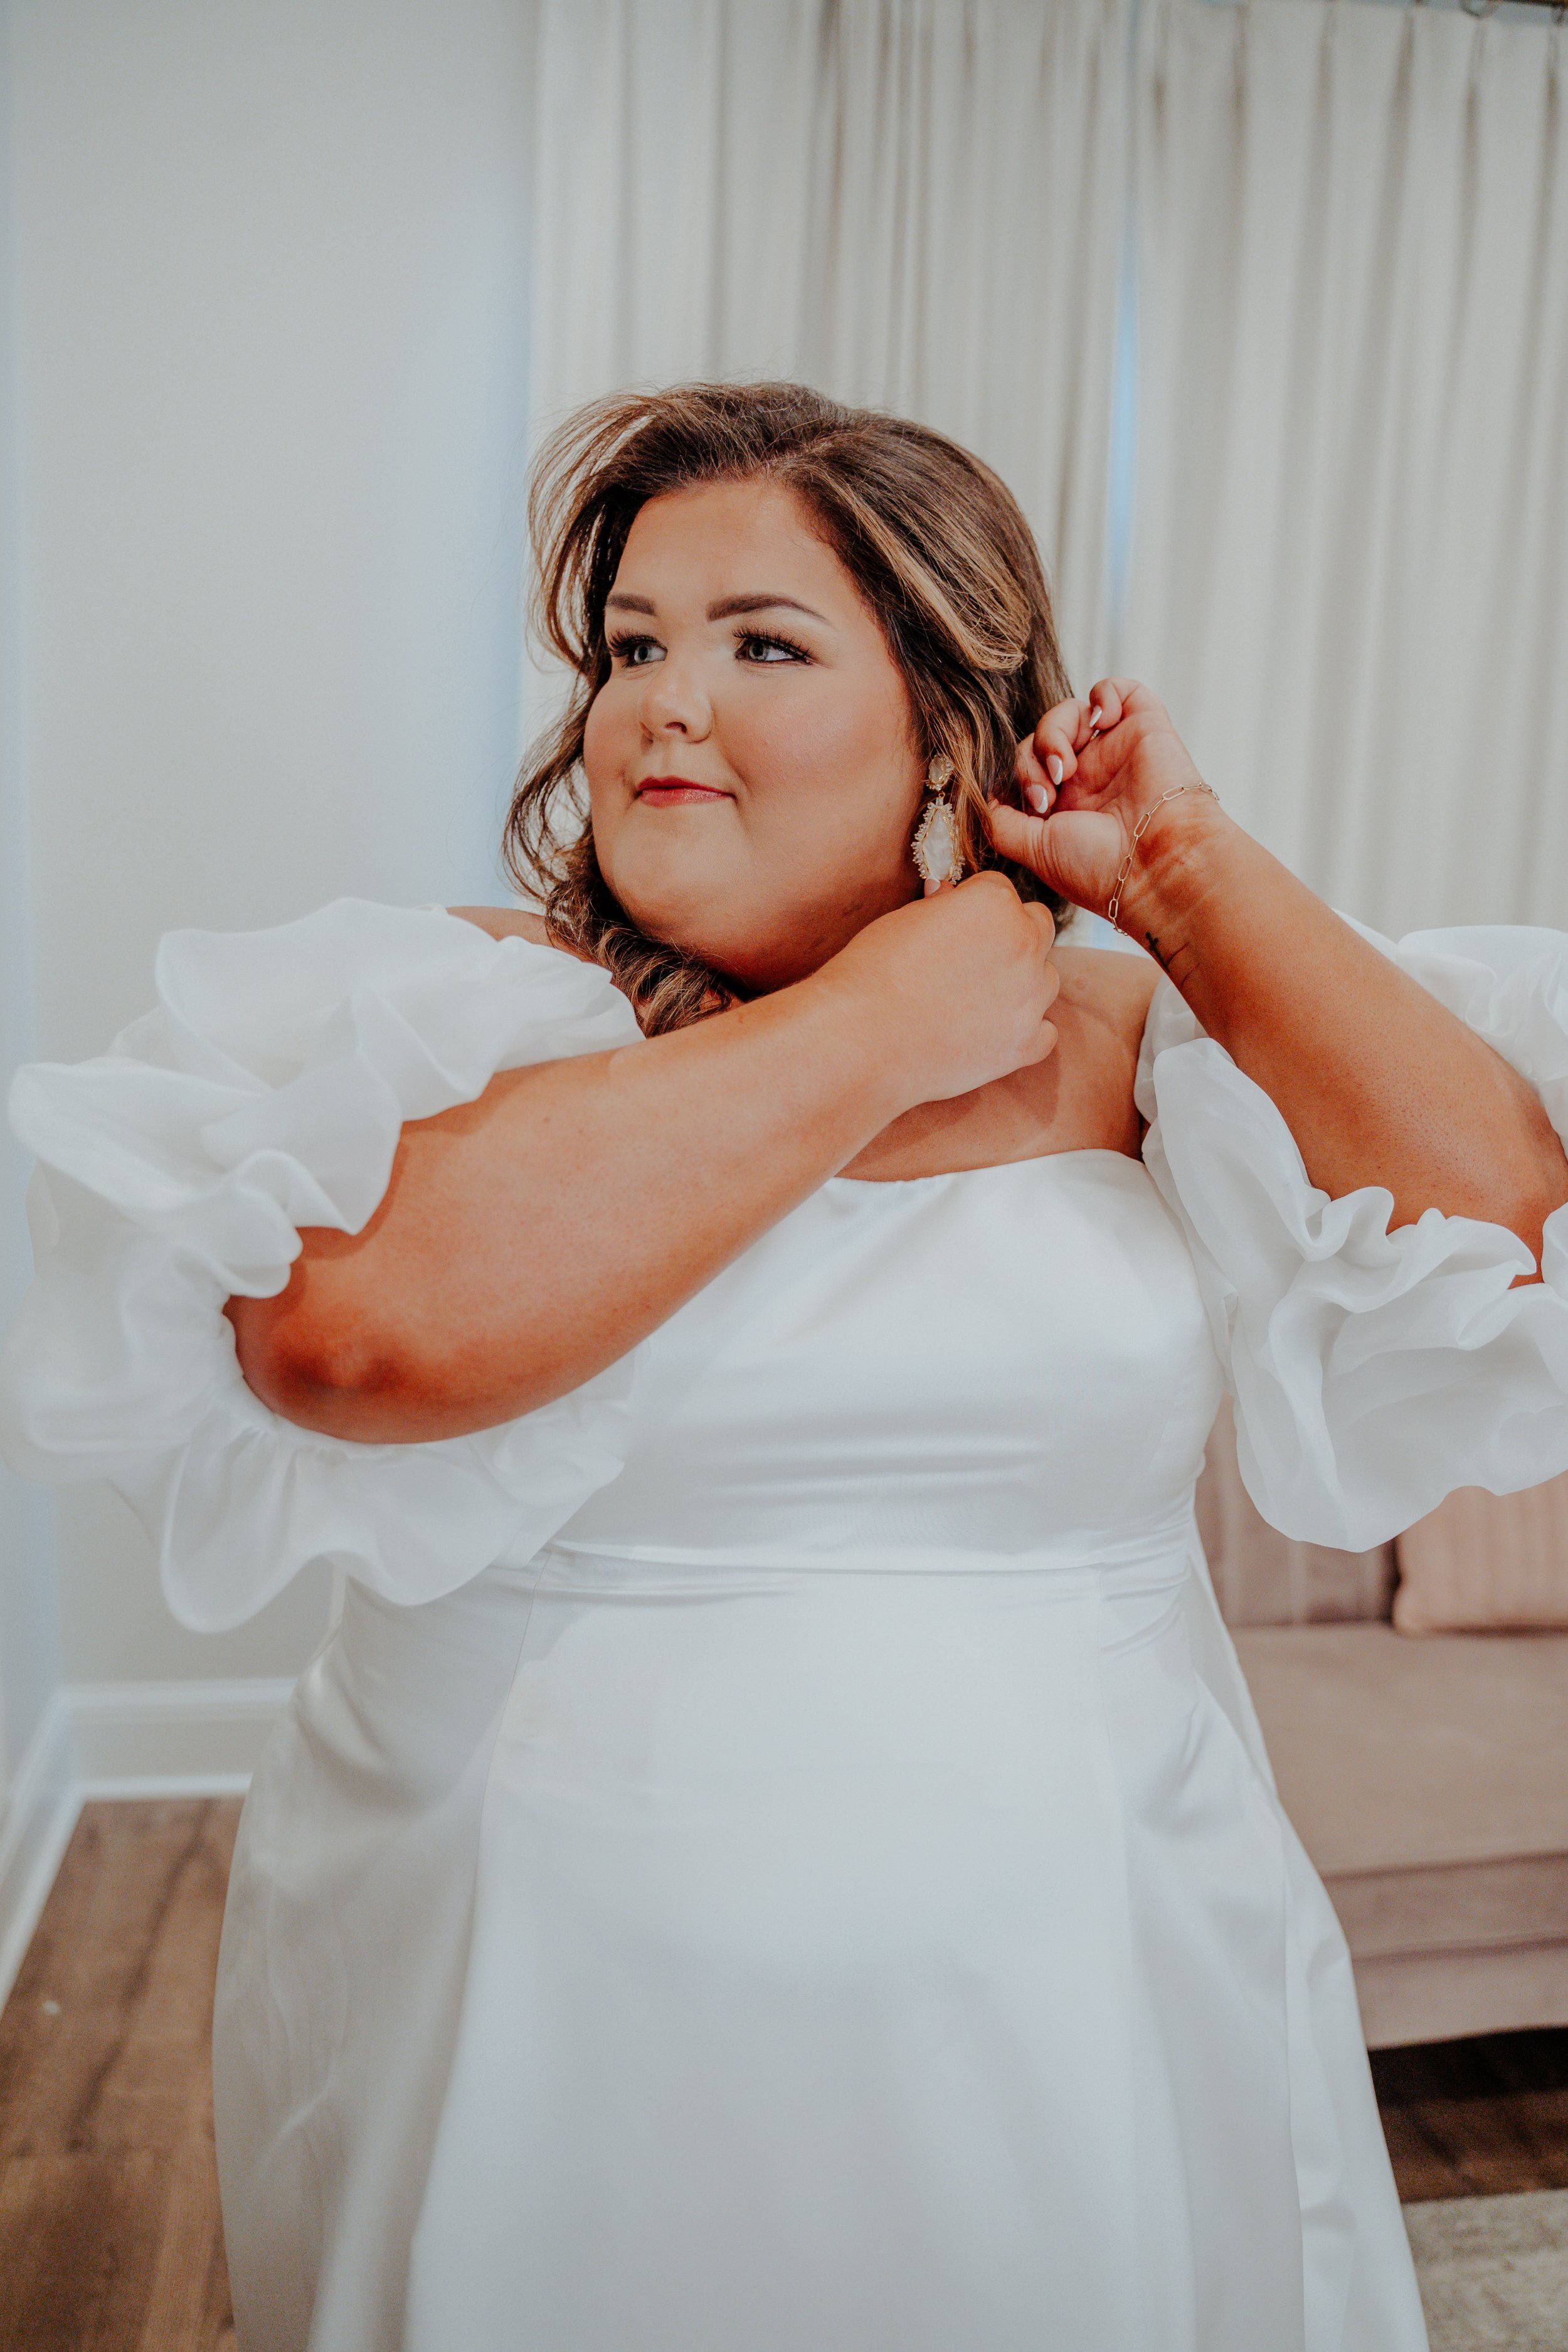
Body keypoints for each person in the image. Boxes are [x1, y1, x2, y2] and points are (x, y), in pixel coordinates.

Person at [5, 381, 1568, 2352]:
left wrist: (1176, 874)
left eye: (761, 643)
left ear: (937, 717)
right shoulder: (464, 1010)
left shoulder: (1120, 1036)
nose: (665, 698)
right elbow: (355, 1338)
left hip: (1080, 1940)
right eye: (634, 643)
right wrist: (875, 1026)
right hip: (548, 1974)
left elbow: (1502, 1230)